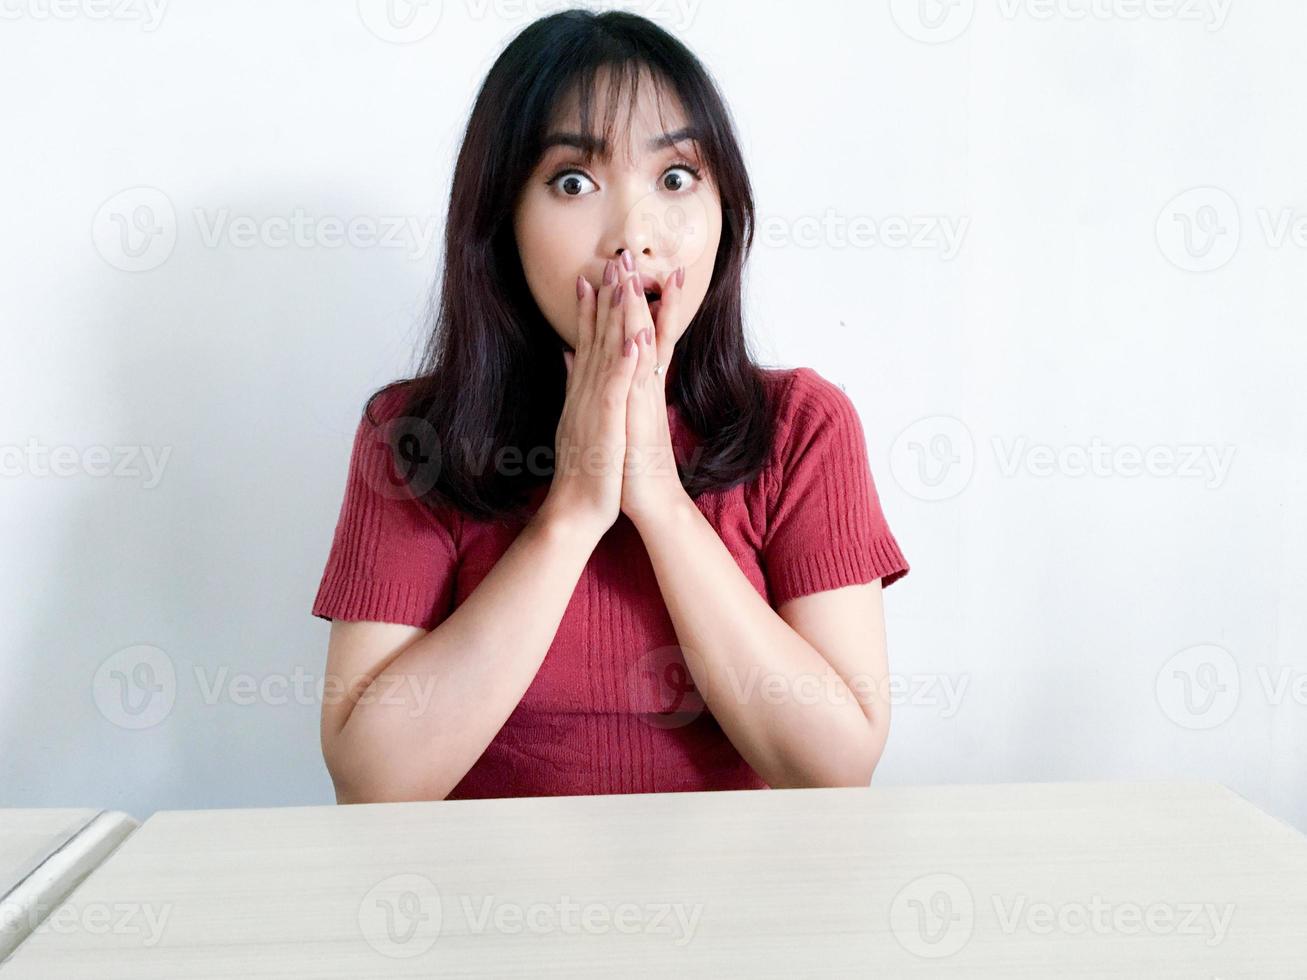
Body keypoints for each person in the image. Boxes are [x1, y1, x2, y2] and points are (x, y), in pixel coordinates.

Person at [311, 9, 910, 803]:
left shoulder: (802, 426)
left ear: (724, 212)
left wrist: (657, 499)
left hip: (737, 910)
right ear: (500, 223)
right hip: (480, 909)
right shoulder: (412, 435)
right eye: (573, 182)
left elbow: (835, 766)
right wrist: (574, 508)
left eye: (674, 178)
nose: (632, 236)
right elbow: (372, 780)